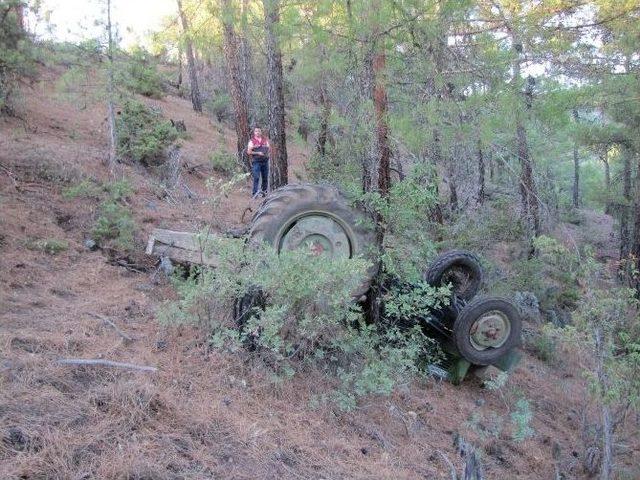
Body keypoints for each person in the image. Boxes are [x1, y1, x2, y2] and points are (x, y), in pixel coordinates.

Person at [247, 127, 270, 198]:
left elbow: (269, 149)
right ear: (254, 132)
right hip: (256, 162)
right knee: (256, 177)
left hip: (265, 161)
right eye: (256, 131)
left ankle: (264, 193)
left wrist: (267, 153)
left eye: (259, 131)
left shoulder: (265, 140)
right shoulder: (251, 141)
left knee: (265, 178)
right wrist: (258, 153)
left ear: (261, 132)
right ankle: (255, 193)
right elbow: (249, 152)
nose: (257, 132)